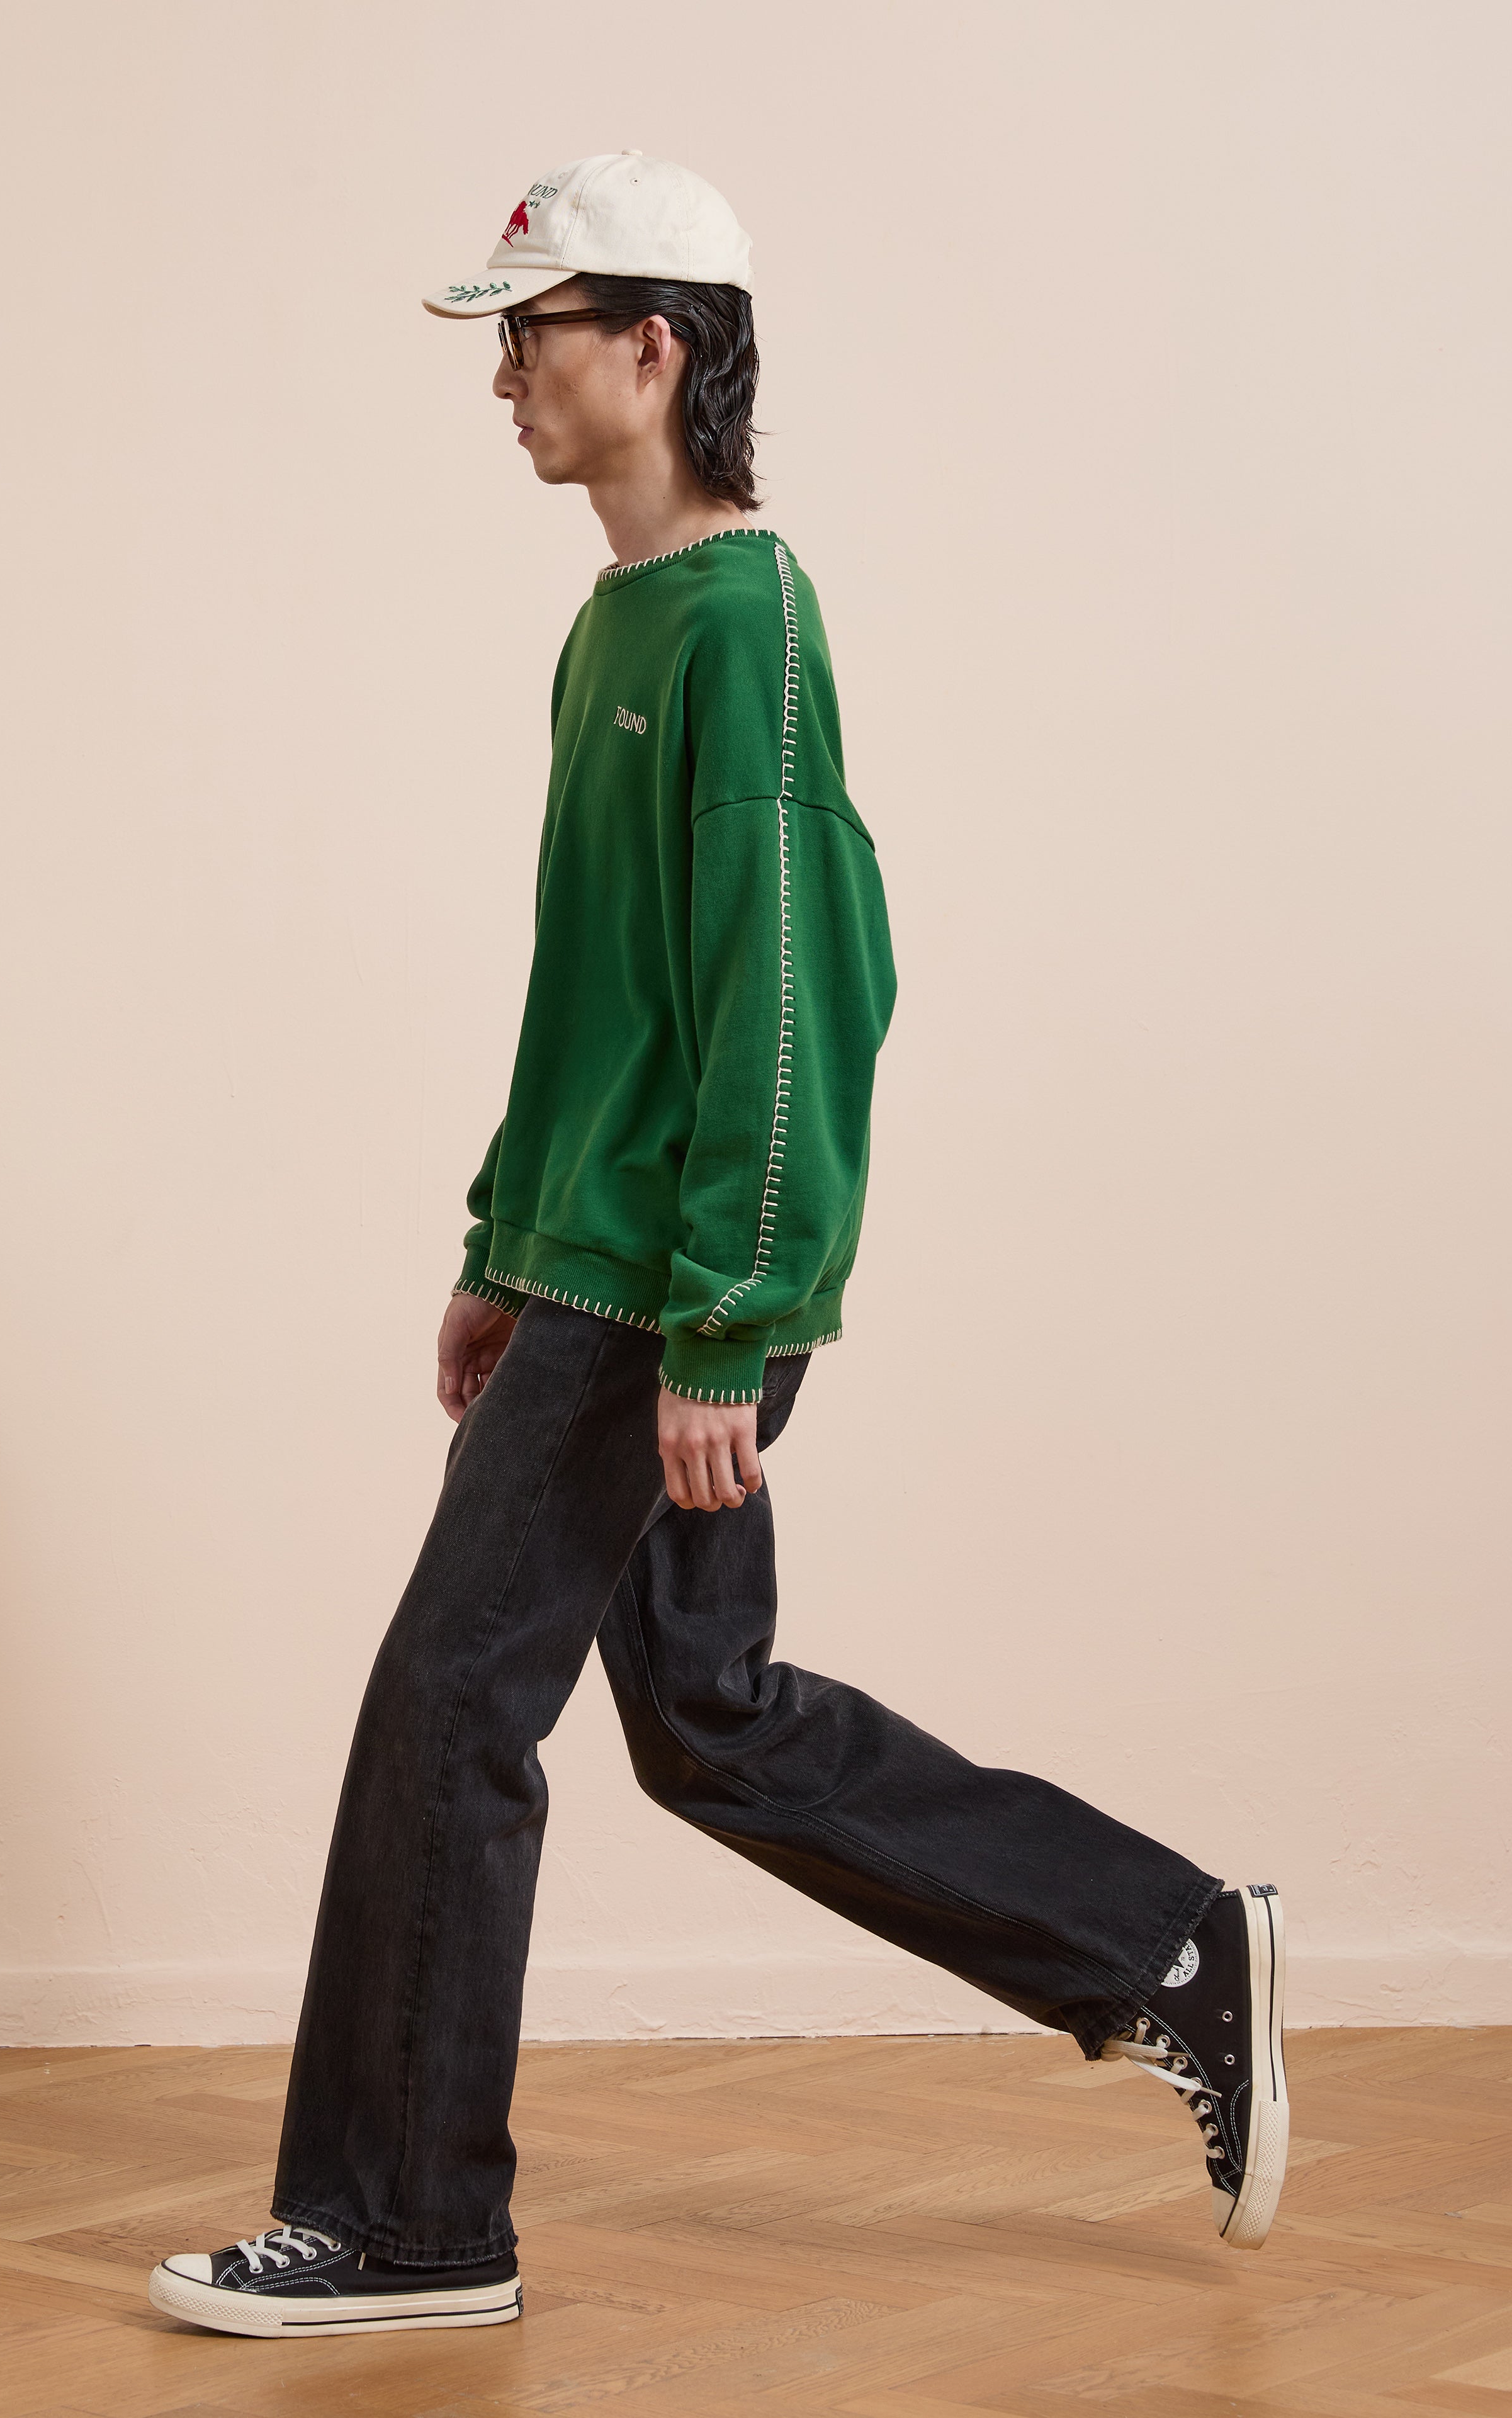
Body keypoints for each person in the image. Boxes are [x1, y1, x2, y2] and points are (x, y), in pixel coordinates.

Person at [150, 152, 1288, 2342]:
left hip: (672, 1287)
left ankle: (408, 2220)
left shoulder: (751, 621)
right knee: (715, 1722)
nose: (504, 379)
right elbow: (598, 981)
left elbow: (796, 985)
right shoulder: (618, 625)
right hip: (592, 1264)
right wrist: (502, 1224)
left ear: (651, 347)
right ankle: (1169, 1947)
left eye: (532, 332)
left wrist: (726, 1321)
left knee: (446, 1705)